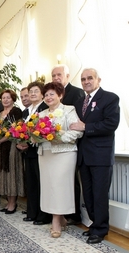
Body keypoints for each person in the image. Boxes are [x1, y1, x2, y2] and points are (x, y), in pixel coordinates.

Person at [70, 68, 120, 244]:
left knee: (99, 194)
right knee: (88, 194)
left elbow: (111, 124)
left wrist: (86, 127)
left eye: (90, 78)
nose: (86, 81)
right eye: (83, 79)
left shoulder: (110, 98)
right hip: (83, 156)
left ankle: (100, 229)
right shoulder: (79, 103)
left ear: (99, 79)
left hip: (100, 156)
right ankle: (94, 224)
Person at [37, 81, 83, 238]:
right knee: (49, 187)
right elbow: (35, 136)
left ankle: (55, 221)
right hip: (46, 154)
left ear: (60, 95)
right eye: (46, 95)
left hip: (64, 153)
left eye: (52, 94)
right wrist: (33, 138)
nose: (48, 97)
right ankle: (61, 218)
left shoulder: (69, 110)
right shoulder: (41, 114)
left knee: (59, 187)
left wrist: (58, 138)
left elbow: (77, 132)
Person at [52, 64, 85, 225]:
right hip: (52, 148)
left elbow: (78, 122)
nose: (56, 77)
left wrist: (62, 135)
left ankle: (73, 214)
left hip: (72, 144)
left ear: (67, 76)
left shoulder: (77, 92)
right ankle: (59, 214)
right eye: (53, 75)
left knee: (71, 181)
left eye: (59, 74)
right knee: (56, 182)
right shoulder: (50, 97)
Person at [17, 82, 51, 226]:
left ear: (42, 93)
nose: (32, 94)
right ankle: (32, 212)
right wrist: (19, 141)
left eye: (36, 91)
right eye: (30, 91)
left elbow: (43, 131)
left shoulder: (45, 108)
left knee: (41, 183)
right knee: (31, 183)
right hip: (28, 152)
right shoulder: (26, 111)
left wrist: (29, 143)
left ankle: (43, 215)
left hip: (40, 150)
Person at [0, 90, 24, 214]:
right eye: (3, 98)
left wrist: (0, 141)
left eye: (8, 98)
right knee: (3, 175)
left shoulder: (16, 112)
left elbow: (14, 130)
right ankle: (8, 201)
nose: (5, 100)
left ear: (13, 99)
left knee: (11, 174)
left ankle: (13, 203)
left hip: (12, 147)